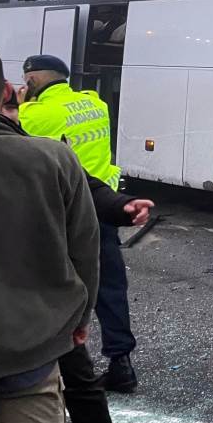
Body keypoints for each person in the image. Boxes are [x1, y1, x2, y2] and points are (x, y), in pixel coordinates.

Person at [0, 46, 99, 423]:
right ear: (9, 92)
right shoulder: (53, 159)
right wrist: (79, 321)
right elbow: (86, 253)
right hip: (30, 354)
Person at [18, 55, 138, 392]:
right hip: (103, 205)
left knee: (54, 286)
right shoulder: (93, 103)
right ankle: (121, 363)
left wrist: (23, 101)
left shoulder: (35, 114)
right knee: (109, 286)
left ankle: (52, 366)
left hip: (62, 211)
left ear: (32, 81)